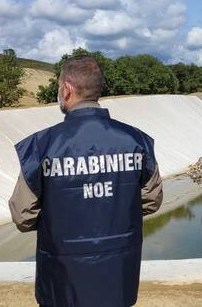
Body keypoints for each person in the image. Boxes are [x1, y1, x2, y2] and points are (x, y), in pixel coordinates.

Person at [9, 55, 163, 307]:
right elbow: (151, 201)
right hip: (118, 278)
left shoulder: (41, 146)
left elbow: (23, 216)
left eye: (59, 86)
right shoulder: (137, 141)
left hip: (62, 280)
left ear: (66, 89)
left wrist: (59, 220)